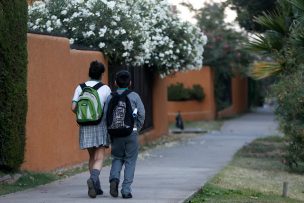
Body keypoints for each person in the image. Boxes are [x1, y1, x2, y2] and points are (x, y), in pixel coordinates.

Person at [71, 60, 111, 198]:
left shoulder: (80, 87)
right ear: (101, 74)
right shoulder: (105, 89)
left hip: (85, 125)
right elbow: (109, 109)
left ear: (89, 72)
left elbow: (73, 107)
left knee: (91, 157)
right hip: (100, 125)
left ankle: (96, 187)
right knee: (99, 157)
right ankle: (93, 180)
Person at [105, 70, 145, 199]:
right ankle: (126, 190)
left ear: (115, 83)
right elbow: (141, 114)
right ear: (130, 83)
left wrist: (109, 131)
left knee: (117, 158)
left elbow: (106, 115)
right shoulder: (134, 96)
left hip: (116, 133)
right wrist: (136, 128)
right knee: (130, 161)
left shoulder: (111, 96)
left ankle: (114, 180)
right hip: (130, 133)